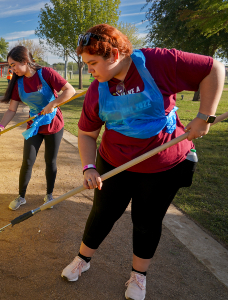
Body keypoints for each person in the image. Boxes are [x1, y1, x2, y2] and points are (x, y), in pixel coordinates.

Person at [61, 24, 225, 299]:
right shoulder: (96, 91)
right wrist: (89, 167)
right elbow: (88, 134)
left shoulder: (159, 62)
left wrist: (205, 116)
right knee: (102, 213)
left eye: (92, 63)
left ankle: (138, 277)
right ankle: (82, 259)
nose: (89, 70)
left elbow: (213, 68)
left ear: (113, 54)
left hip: (163, 163)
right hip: (114, 162)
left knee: (147, 220)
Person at [0, 46, 75, 211]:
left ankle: (49, 195)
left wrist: (53, 104)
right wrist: (0, 127)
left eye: (14, 64)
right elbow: (11, 110)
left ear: (24, 61)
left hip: (53, 124)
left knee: (50, 161)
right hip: (34, 126)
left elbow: (70, 90)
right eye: (10, 66)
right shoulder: (18, 82)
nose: (12, 69)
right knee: (27, 161)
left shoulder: (47, 73)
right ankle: (21, 196)